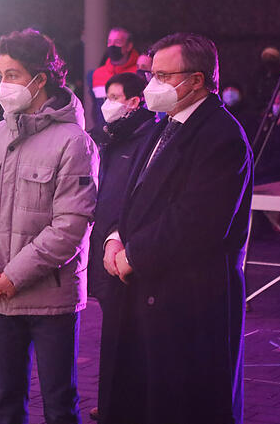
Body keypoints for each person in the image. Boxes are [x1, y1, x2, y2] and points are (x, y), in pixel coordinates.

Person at [100, 32, 252, 424]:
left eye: (164, 76)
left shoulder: (221, 135)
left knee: (183, 404)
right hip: (143, 288)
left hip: (189, 297)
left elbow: (196, 219)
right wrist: (116, 236)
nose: (153, 85)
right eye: (152, 74)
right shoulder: (161, 125)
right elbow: (133, 195)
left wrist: (134, 254)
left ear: (197, 80)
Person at [0, 28, 98, 424]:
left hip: (50, 298)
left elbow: (70, 226)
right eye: (0, 74)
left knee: (59, 404)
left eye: (12, 74)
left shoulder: (73, 142)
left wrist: (15, 276)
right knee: (6, 402)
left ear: (40, 79)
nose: (2, 84)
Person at [86, 72, 156, 423]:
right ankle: (113, 400)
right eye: (106, 96)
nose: (107, 104)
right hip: (105, 242)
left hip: (122, 247)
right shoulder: (113, 138)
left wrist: (116, 235)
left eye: (115, 97)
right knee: (113, 327)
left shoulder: (145, 138)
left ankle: (118, 404)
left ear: (134, 102)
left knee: (123, 330)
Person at [90, 27, 140, 127]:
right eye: (109, 42)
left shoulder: (138, 72)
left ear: (129, 46)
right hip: (104, 132)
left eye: (117, 42)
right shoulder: (98, 73)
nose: (112, 46)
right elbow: (96, 107)